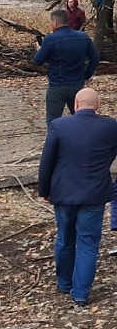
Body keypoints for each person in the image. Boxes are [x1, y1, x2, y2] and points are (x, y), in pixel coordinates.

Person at [38, 88, 117, 306]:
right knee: (88, 243)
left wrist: (44, 190)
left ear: (75, 103)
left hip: (63, 192)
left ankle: (64, 282)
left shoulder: (60, 125)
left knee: (64, 238)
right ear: (98, 106)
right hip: (94, 193)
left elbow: (47, 162)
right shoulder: (111, 127)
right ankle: (81, 292)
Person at [33, 10, 99, 126]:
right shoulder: (83, 37)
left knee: (53, 120)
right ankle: (83, 141)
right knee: (81, 118)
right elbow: (95, 58)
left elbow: (38, 61)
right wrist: (86, 74)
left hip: (57, 84)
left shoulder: (50, 39)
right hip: (77, 82)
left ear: (55, 23)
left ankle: (56, 142)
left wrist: (40, 50)